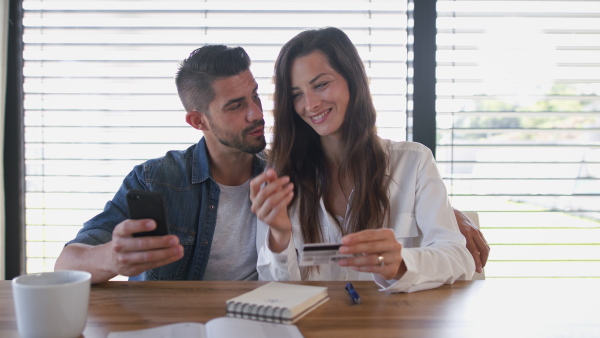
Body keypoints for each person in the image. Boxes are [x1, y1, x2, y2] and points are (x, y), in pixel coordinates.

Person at [55, 43, 488, 285]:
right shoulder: (159, 179)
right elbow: (66, 264)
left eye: (258, 96)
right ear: (197, 121)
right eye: (236, 106)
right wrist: (112, 256)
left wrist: (445, 214)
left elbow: (377, 169)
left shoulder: (285, 170)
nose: (257, 114)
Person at [250, 27, 477, 293]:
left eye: (320, 84)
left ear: (352, 79)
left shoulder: (414, 163)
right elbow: (277, 290)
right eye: (296, 94)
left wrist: (402, 263)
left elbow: (458, 258)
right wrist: (279, 236)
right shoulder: (280, 177)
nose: (309, 104)